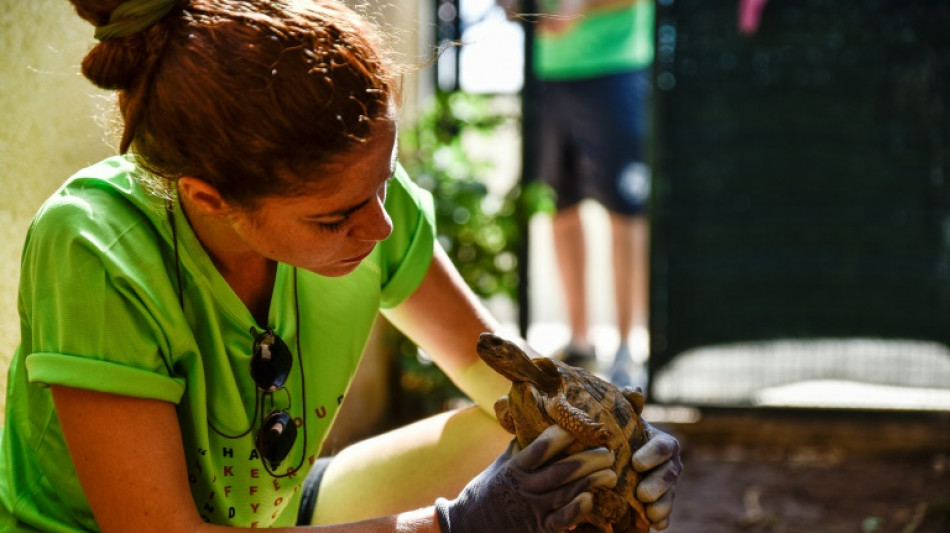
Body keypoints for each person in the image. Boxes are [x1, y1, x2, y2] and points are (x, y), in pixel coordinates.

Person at [0, 0, 682, 531]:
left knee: (547, 446)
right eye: (334, 217)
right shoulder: (94, 247)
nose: (381, 225)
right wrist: (455, 524)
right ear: (209, 197)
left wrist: (622, 443)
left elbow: (499, 377)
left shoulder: (365, 202)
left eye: (384, 183)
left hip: (275, 510)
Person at [520, 0, 655, 385]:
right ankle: (581, 345)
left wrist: (578, 6)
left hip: (616, 68)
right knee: (557, 207)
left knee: (625, 210)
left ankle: (629, 350)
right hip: (544, 72)